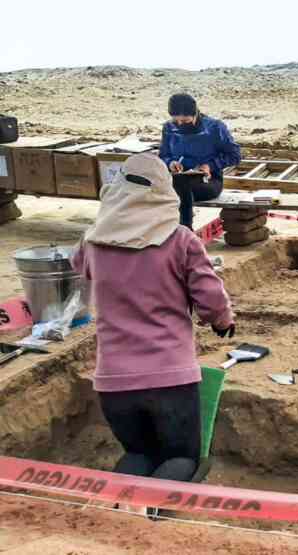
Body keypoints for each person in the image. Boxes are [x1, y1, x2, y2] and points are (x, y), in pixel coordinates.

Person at [71, 153, 235, 515]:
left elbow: (78, 270)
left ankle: (108, 516)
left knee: (138, 454)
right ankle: (153, 522)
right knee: (181, 458)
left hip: (113, 384)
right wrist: (223, 321)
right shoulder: (181, 241)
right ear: (164, 192)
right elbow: (210, 300)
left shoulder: (92, 241)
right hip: (170, 382)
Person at [159, 93, 241, 229]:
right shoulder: (168, 128)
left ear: (195, 114)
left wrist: (210, 166)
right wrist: (170, 163)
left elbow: (235, 155)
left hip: (208, 181)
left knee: (179, 188)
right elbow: (163, 155)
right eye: (176, 121)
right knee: (170, 186)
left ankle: (185, 231)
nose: (180, 125)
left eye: (185, 121)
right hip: (176, 179)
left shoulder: (215, 127)